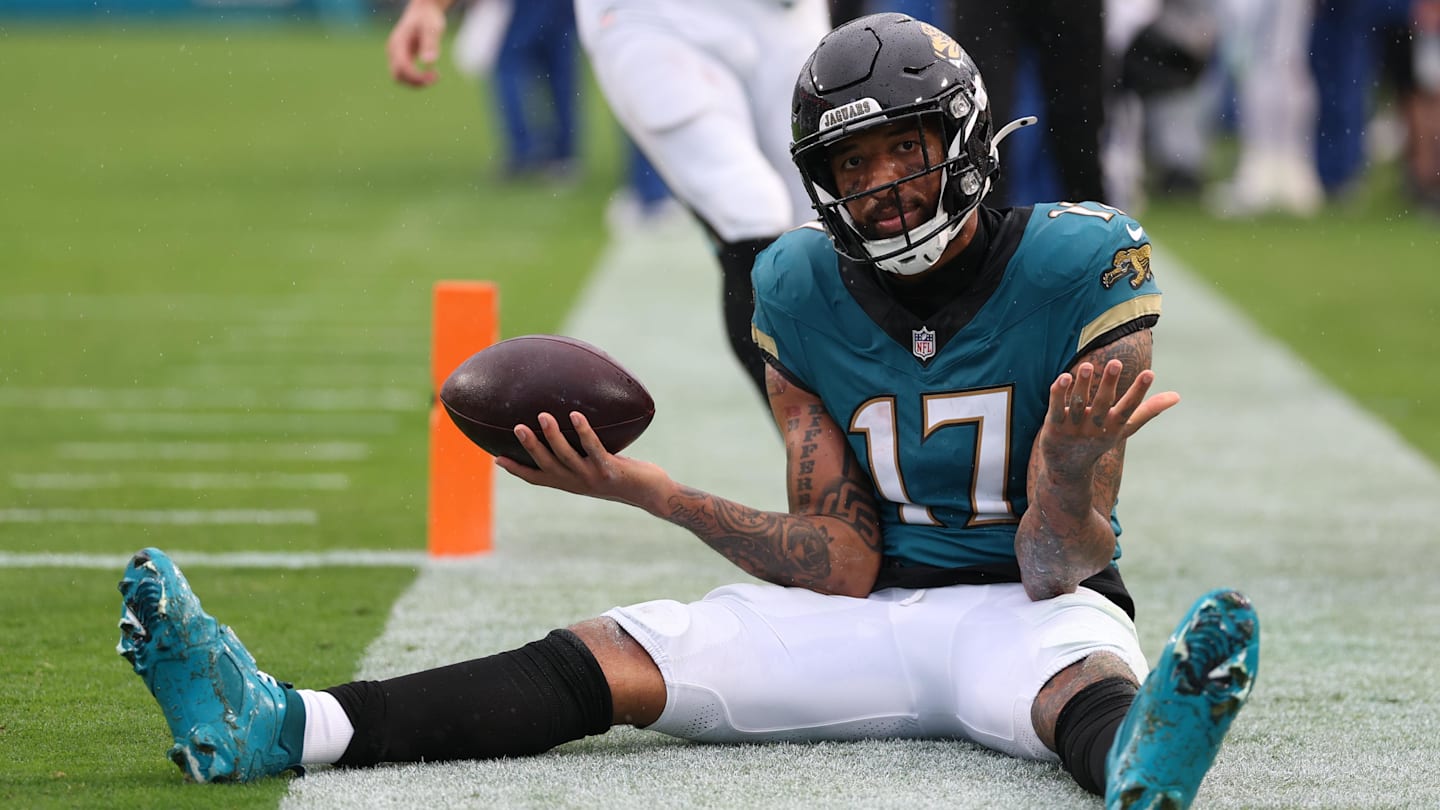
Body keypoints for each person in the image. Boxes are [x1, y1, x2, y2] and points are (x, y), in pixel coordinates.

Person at [122, 14, 1260, 807]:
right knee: (614, 653)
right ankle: (282, 723)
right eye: (852, 168)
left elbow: (1062, 564)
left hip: (1031, 607)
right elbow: (841, 559)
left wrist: (1064, 465)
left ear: (960, 138)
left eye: (903, 153)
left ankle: (1139, 772)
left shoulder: (1081, 262)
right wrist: (645, 489)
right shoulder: (795, 285)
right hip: (856, 624)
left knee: (1084, 689)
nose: (883, 190)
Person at [387, 0, 831, 405]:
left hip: (785, 17)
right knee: (750, 209)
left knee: (833, 215)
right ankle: (820, 456)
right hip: (657, 19)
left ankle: (874, 442)